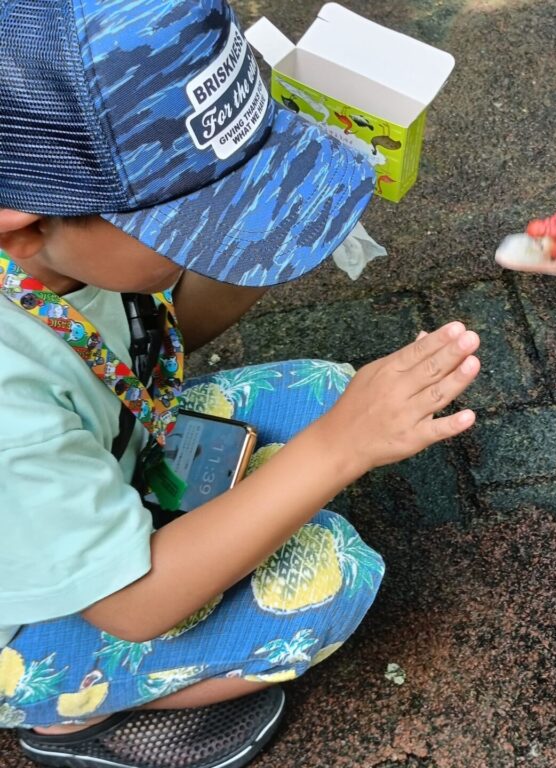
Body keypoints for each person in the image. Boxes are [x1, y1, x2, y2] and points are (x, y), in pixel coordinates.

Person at [0, 1, 480, 767]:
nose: (224, 226)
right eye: (194, 215)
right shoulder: (9, 407)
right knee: (331, 581)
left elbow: (159, 339)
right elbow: (131, 606)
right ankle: (66, 718)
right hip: (46, 612)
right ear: (23, 222)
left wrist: (269, 231)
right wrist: (337, 449)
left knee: (325, 387)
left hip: (80, 473)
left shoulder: (53, 253)